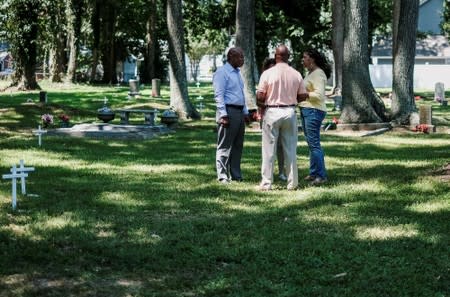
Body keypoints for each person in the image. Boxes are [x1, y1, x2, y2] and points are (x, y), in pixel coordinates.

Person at [256, 45, 306, 191]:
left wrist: (264, 101)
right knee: (290, 149)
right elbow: (302, 95)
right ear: (288, 56)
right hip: (290, 111)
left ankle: (266, 183)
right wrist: (292, 97)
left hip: (272, 111)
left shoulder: (267, 73)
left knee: (268, 150)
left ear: (275, 56)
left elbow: (260, 95)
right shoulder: (296, 74)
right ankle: (292, 183)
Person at [213, 47, 249, 184]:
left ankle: (236, 174)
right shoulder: (222, 73)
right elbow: (219, 95)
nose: (242, 59)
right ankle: (222, 175)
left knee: (238, 145)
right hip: (228, 111)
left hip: (239, 112)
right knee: (224, 145)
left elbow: (240, 94)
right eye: (239, 57)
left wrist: (245, 112)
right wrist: (223, 114)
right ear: (231, 57)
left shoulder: (237, 73)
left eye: (243, 57)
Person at [297, 48, 332, 186]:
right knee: (311, 144)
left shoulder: (318, 74)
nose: (303, 60)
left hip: (314, 111)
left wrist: (304, 95)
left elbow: (319, 95)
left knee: (314, 144)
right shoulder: (310, 73)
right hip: (307, 110)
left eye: (304, 57)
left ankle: (321, 176)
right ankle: (313, 173)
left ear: (312, 59)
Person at [257, 57, 287, 182]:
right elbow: (258, 100)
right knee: (269, 147)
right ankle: (268, 174)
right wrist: (269, 105)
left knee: (281, 147)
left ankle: (281, 172)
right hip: (267, 115)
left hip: (280, 115)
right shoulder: (264, 79)